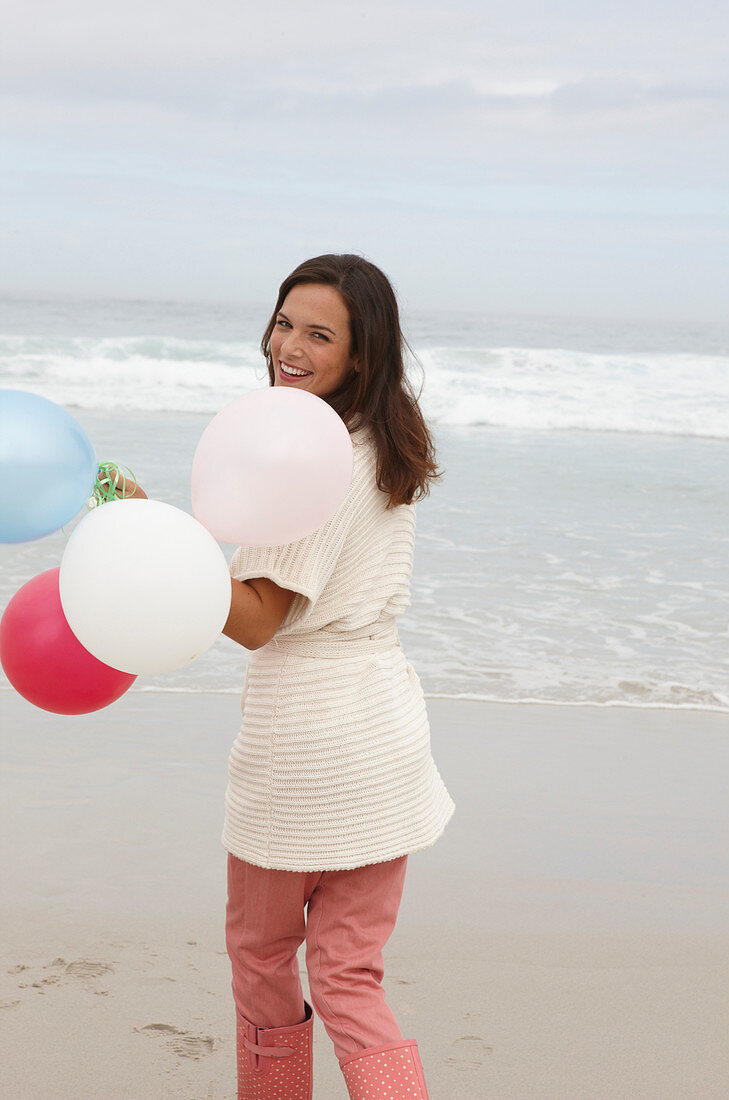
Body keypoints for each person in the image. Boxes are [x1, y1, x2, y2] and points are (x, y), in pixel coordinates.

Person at [221, 254, 454, 1100]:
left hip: (305, 748)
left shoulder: (306, 462)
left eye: (318, 334)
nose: (288, 345)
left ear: (360, 355)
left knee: (260, 954)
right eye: (284, 322)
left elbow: (255, 621)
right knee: (352, 973)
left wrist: (159, 547)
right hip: (383, 737)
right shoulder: (388, 444)